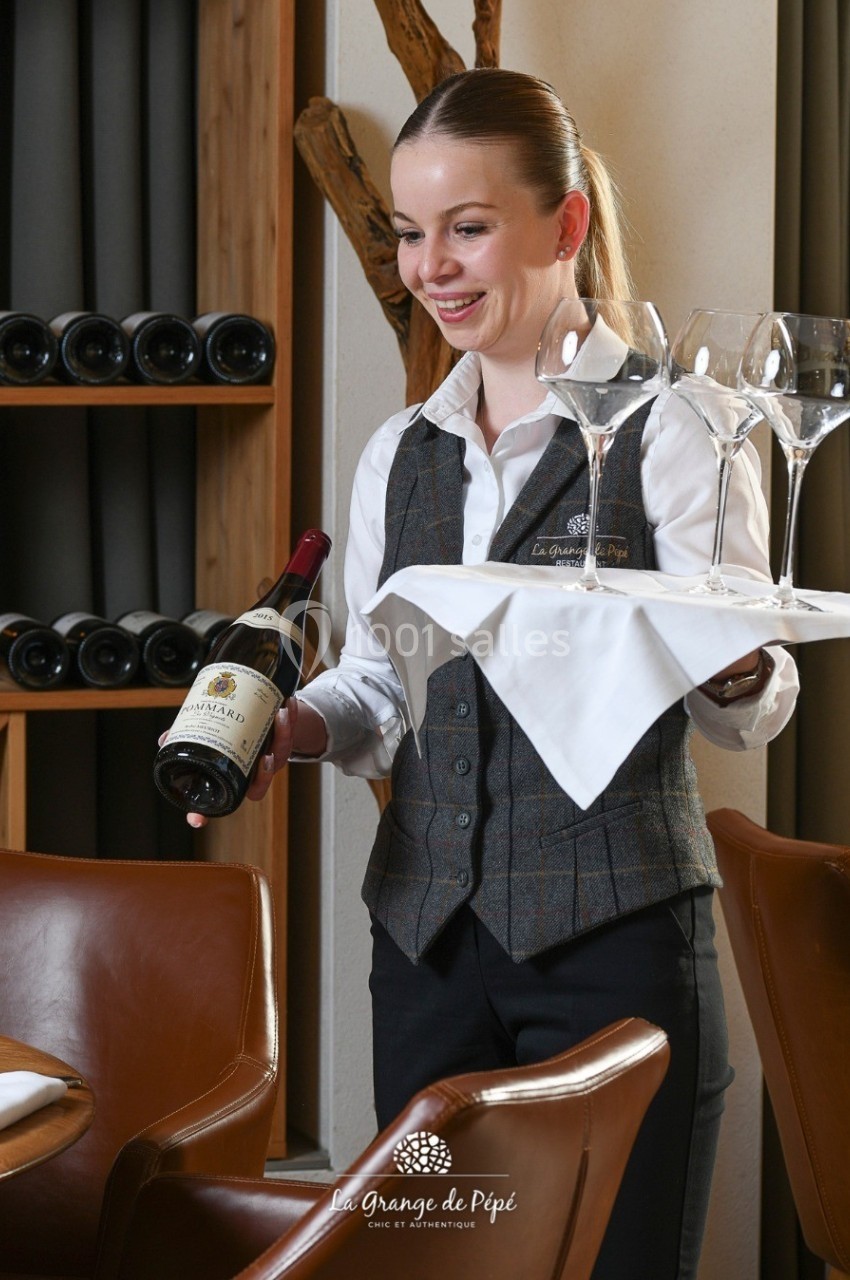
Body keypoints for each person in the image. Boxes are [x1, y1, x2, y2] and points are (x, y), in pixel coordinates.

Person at [189, 69, 799, 1279]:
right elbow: (377, 686)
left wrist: (727, 664)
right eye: (411, 234)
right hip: (423, 953)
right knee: (428, 1257)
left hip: (615, 949)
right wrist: (289, 732)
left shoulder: (683, 426)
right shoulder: (399, 453)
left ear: (563, 224)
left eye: (467, 228)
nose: (433, 267)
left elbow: (757, 708)